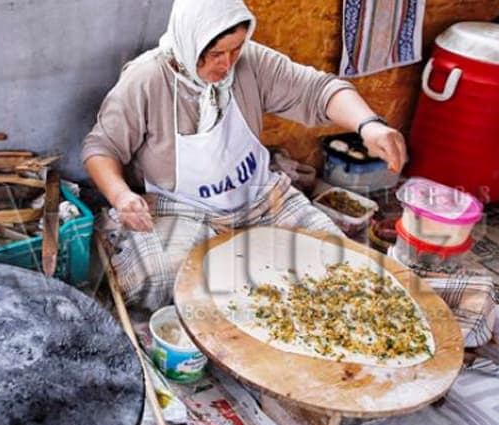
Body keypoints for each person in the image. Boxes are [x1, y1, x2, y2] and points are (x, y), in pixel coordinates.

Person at [82, 0, 407, 311]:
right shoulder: (146, 80)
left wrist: (369, 125)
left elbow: (319, 90)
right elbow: (102, 149)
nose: (226, 64)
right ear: (188, 41)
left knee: (338, 265)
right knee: (153, 278)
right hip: (184, 210)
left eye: (235, 50)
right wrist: (121, 195)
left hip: (263, 200)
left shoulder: (250, 62)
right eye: (214, 54)